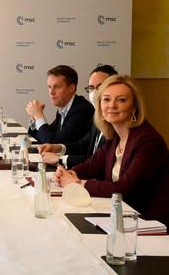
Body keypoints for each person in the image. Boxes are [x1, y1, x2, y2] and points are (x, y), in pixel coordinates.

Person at [55, 75, 169, 225]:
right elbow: (92, 165)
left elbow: (123, 188)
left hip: (149, 224)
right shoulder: (115, 137)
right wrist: (70, 173)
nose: (112, 105)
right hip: (121, 216)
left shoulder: (148, 141)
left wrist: (77, 183)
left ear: (134, 106)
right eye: (106, 99)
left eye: (121, 100)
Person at [39, 65, 118, 168]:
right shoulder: (98, 116)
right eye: (91, 88)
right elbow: (83, 145)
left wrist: (59, 159)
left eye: (100, 87)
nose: (95, 93)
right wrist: (58, 148)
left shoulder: (83, 109)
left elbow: (98, 162)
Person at [26, 65, 94, 144]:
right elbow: (43, 137)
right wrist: (35, 119)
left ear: (71, 88)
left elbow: (53, 144)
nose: (51, 92)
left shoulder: (82, 110)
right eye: (49, 87)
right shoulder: (63, 108)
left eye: (57, 87)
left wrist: (39, 116)